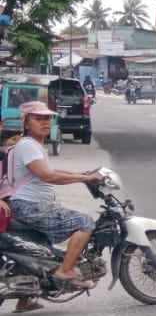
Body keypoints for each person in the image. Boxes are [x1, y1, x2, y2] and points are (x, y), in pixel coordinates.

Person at [5, 102, 104, 290]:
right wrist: (84, 178)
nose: (45, 122)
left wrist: (83, 176)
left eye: (47, 118)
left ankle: (25, 298)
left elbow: (50, 170)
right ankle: (66, 271)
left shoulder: (34, 145)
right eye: (38, 118)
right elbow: (47, 175)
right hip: (29, 206)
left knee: (42, 250)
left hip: (31, 204)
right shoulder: (28, 145)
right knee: (84, 222)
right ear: (26, 123)